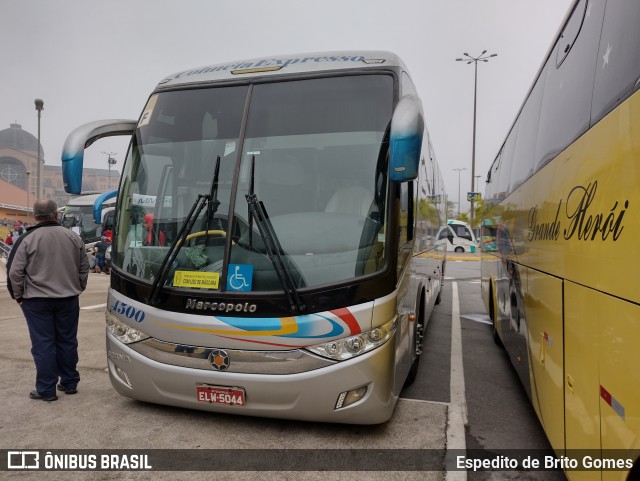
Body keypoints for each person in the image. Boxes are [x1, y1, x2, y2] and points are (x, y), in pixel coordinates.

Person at [6, 200, 90, 402]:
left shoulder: (27, 239)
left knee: (43, 343)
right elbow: (84, 267)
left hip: (36, 301)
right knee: (67, 340)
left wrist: (18, 295)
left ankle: (46, 389)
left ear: (35, 216)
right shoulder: (73, 237)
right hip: (68, 298)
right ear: (55, 215)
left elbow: (14, 272)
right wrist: (77, 287)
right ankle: (69, 382)